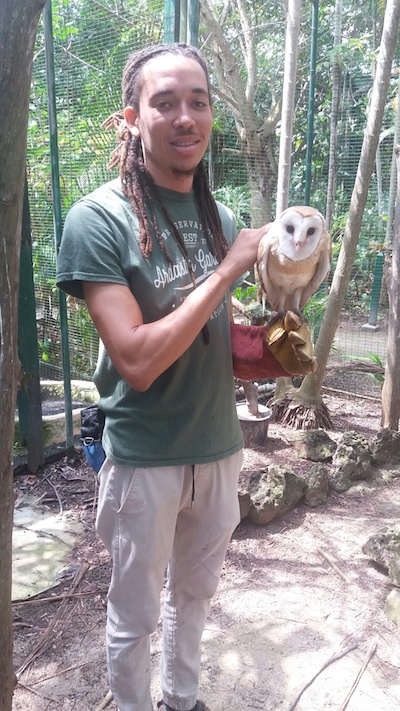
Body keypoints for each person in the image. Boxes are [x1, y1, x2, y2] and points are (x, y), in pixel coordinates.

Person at [56, 42, 279, 711]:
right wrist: (227, 270)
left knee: (196, 596)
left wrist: (265, 351)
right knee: (135, 615)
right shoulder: (98, 219)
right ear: (131, 117)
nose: (185, 116)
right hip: (144, 457)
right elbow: (139, 361)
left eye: (198, 101)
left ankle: (182, 699)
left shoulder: (221, 218)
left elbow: (210, 338)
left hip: (217, 446)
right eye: (165, 102)